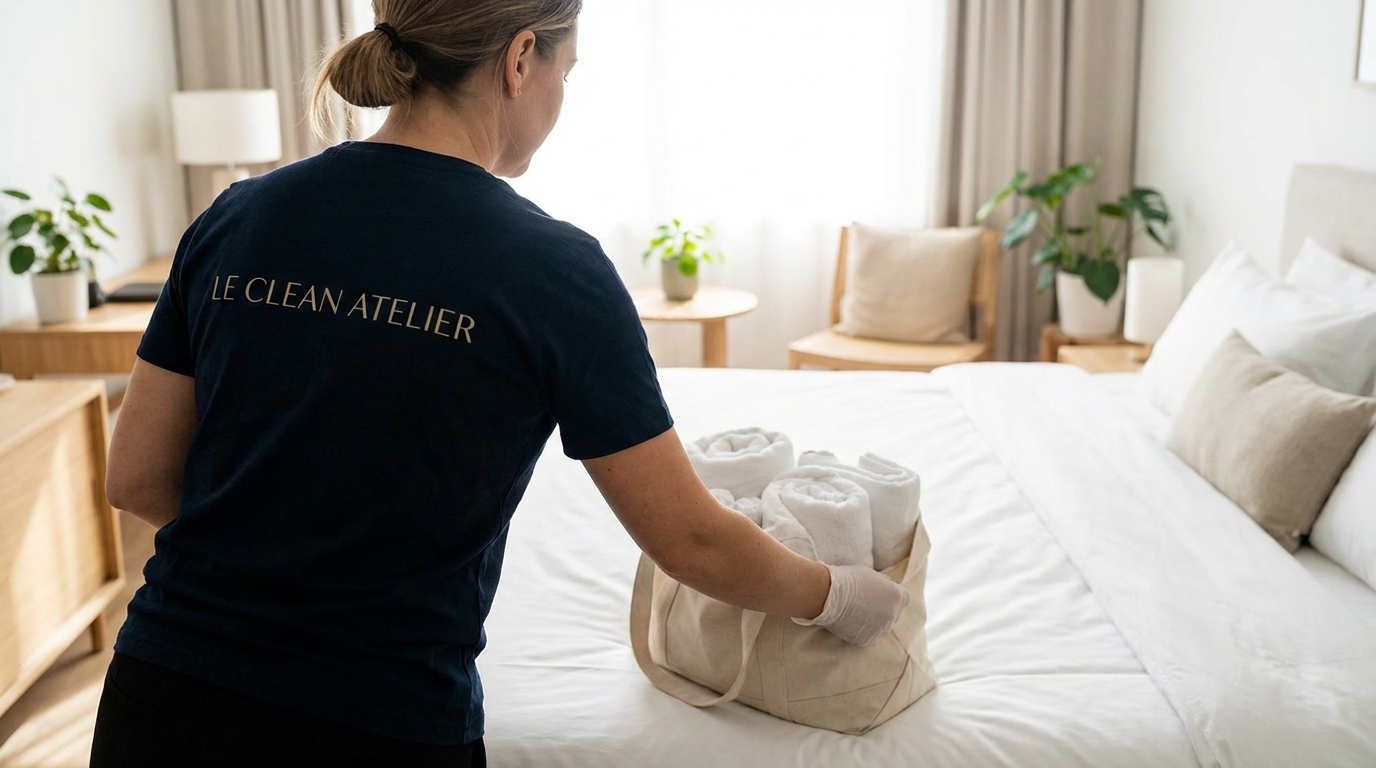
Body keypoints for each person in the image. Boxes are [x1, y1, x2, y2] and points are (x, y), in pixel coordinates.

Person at [90, 1, 908, 765]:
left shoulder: (237, 216)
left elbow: (136, 477)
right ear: (520, 59)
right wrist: (839, 595)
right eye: (566, 71)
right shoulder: (554, 271)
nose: (562, 96)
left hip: (161, 693)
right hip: (379, 716)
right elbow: (691, 540)